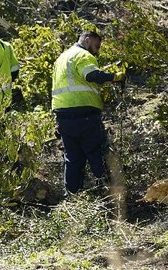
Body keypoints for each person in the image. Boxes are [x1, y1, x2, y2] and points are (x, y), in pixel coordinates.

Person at [51, 30, 125, 195]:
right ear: (87, 39)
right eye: (96, 45)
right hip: (84, 115)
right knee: (96, 153)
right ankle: (110, 194)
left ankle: (72, 197)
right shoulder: (82, 55)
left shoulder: (61, 58)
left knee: (73, 159)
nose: (97, 50)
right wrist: (115, 77)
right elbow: (91, 75)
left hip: (63, 116)